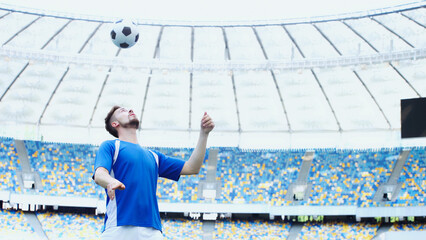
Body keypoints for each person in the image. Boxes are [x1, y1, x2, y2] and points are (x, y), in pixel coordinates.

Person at [93, 106, 214, 240]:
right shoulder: (110, 146)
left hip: (152, 231)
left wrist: (204, 134)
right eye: (123, 111)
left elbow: (192, 167)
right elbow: (99, 174)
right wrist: (111, 181)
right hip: (118, 228)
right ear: (115, 124)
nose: (130, 110)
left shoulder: (154, 156)